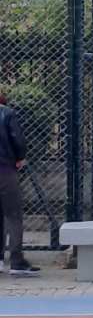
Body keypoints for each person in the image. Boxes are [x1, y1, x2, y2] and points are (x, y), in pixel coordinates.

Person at [0, 88, 36, 276]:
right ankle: (16, 261)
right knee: (13, 215)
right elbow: (17, 139)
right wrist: (20, 157)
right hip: (5, 170)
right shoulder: (7, 113)